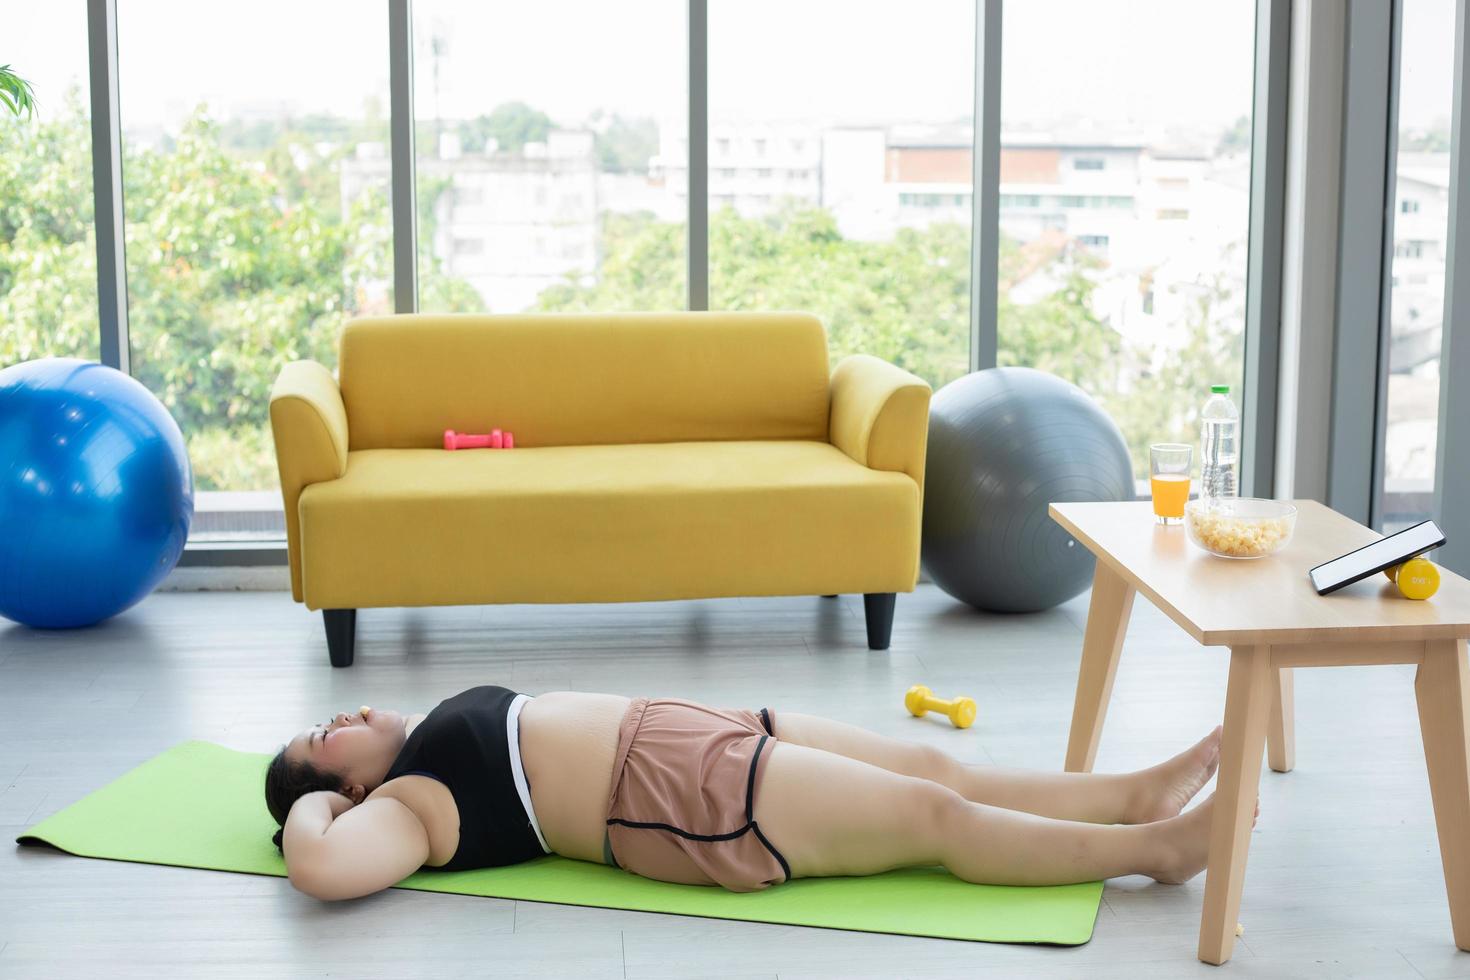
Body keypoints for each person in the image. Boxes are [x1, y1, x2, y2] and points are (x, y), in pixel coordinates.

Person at [265, 686, 1227, 901]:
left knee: (936, 768)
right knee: (941, 820)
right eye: (327, 735)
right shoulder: (406, 804)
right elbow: (317, 867)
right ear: (348, 781)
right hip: (681, 793)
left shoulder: (423, 746)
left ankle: (1134, 795)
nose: (345, 713)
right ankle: (1160, 853)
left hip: (697, 732)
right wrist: (327, 813)